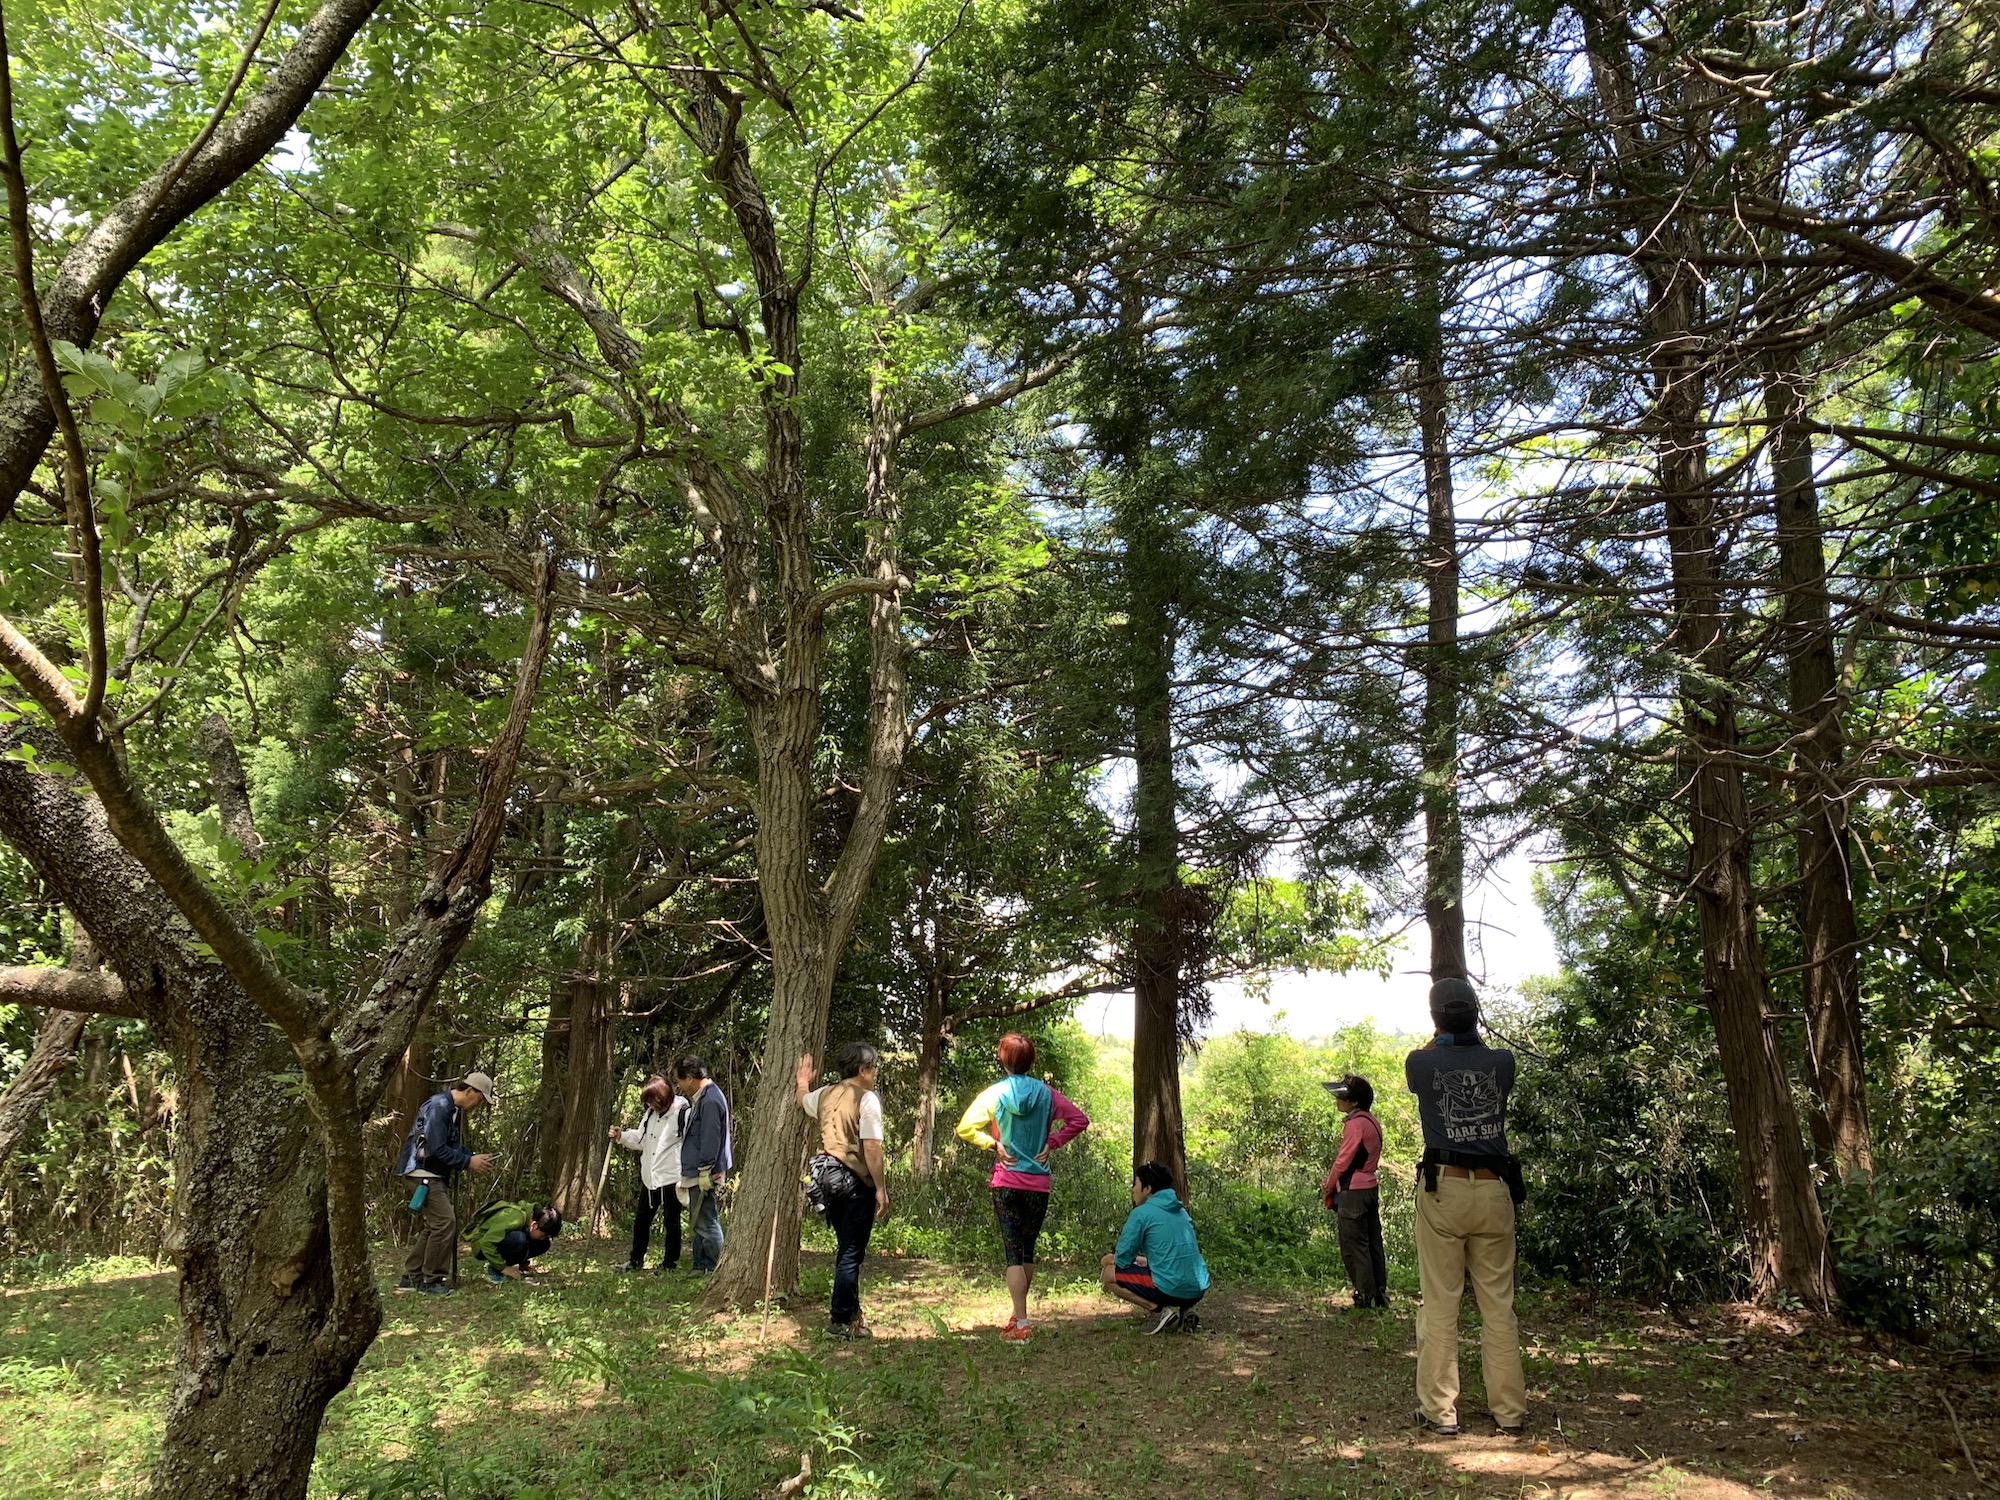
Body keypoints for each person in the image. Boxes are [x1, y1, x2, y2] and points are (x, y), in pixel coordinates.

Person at [1405, 978, 1526, 1438]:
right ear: (1476, 1013)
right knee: (1499, 1307)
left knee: (1440, 1305)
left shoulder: (1421, 1062)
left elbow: (1426, 1074)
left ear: (1436, 1018)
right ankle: (1510, 1412)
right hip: (1495, 1191)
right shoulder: (1502, 1062)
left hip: (1444, 1189)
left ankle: (1441, 1412)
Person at [954, 1032, 1090, 1342]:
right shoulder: (1047, 1094)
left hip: (1007, 1181)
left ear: (1003, 1059)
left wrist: (993, 1145)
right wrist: (1052, 1142)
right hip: (1038, 1184)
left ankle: (1023, 1322)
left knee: (1013, 1254)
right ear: (1031, 1061)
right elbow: (1079, 1120)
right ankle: (1018, 1315)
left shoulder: (995, 1094)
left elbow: (965, 1127)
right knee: (1027, 1251)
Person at [795, 1043, 891, 1339]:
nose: (875, 1074)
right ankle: (839, 1321)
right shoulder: (867, 1099)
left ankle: (852, 1314)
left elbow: (802, 1100)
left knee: (846, 1247)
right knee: (851, 1252)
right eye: (873, 1068)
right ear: (863, 1071)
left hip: (823, 1178)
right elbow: (872, 1148)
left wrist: (802, 1083)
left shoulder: (824, 1093)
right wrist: (881, 1188)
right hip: (852, 1181)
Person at [395, 1071, 498, 1295]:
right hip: (422, 1171)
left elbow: (450, 1146)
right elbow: (436, 1148)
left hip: (430, 1172)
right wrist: (467, 1161)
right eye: (480, 1098)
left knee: (436, 1224)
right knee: (445, 1222)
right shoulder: (440, 1106)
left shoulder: (453, 1111)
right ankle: (431, 1280)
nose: (479, 1104)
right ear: (470, 1091)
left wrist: (470, 1157)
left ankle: (411, 1276)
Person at [1100, 1159, 1210, 1335]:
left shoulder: (1141, 1213)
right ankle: (1186, 1311)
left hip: (1168, 1287)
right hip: (1197, 1288)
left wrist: (1109, 1259)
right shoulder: (1181, 1211)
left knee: (1108, 1274)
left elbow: (1123, 1259)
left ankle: (1160, 1312)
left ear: (1148, 1188)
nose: (1133, 1189)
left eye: (1135, 1184)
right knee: (1159, 1268)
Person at [1320, 1073, 1388, 1310]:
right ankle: (1379, 1295)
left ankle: (1365, 1298)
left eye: (1342, 1096)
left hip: (1353, 1193)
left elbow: (1343, 1161)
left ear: (1354, 1102)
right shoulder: (1371, 1120)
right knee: (1372, 1244)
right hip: (1369, 1187)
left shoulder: (1355, 1125)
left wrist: (1329, 1185)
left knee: (1354, 1247)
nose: (1337, 1100)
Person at [609, 1074, 689, 1273]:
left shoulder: (683, 1113)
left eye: (652, 1100)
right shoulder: (651, 1115)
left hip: (672, 1177)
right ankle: (636, 1260)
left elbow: (692, 1143)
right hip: (650, 1176)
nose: (650, 1105)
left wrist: (689, 1174)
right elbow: (641, 1138)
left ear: (662, 1097)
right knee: (642, 1220)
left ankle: (669, 1263)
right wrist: (622, 1136)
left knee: (672, 1222)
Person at [674, 1055, 731, 1274]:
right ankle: (701, 1264)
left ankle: (721, 1268)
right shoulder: (706, 1097)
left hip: (704, 1171)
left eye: (680, 1081)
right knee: (698, 1219)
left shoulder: (710, 1100)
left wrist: (706, 1169)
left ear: (689, 1078)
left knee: (706, 1221)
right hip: (698, 1170)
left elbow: (710, 1137)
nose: (680, 1086)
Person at [467, 1202, 563, 1282]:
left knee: (544, 1244)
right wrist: (503, 1268)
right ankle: (495, 1268)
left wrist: (523, 1261)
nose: (543, 1238)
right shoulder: (515, 1219)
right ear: (534, 1225)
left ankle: (515, 1264)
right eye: (542, 1235)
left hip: (496, 1243)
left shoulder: (532, 1217)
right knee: (518, 1238)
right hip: (481, 1245)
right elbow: (486, 1242)